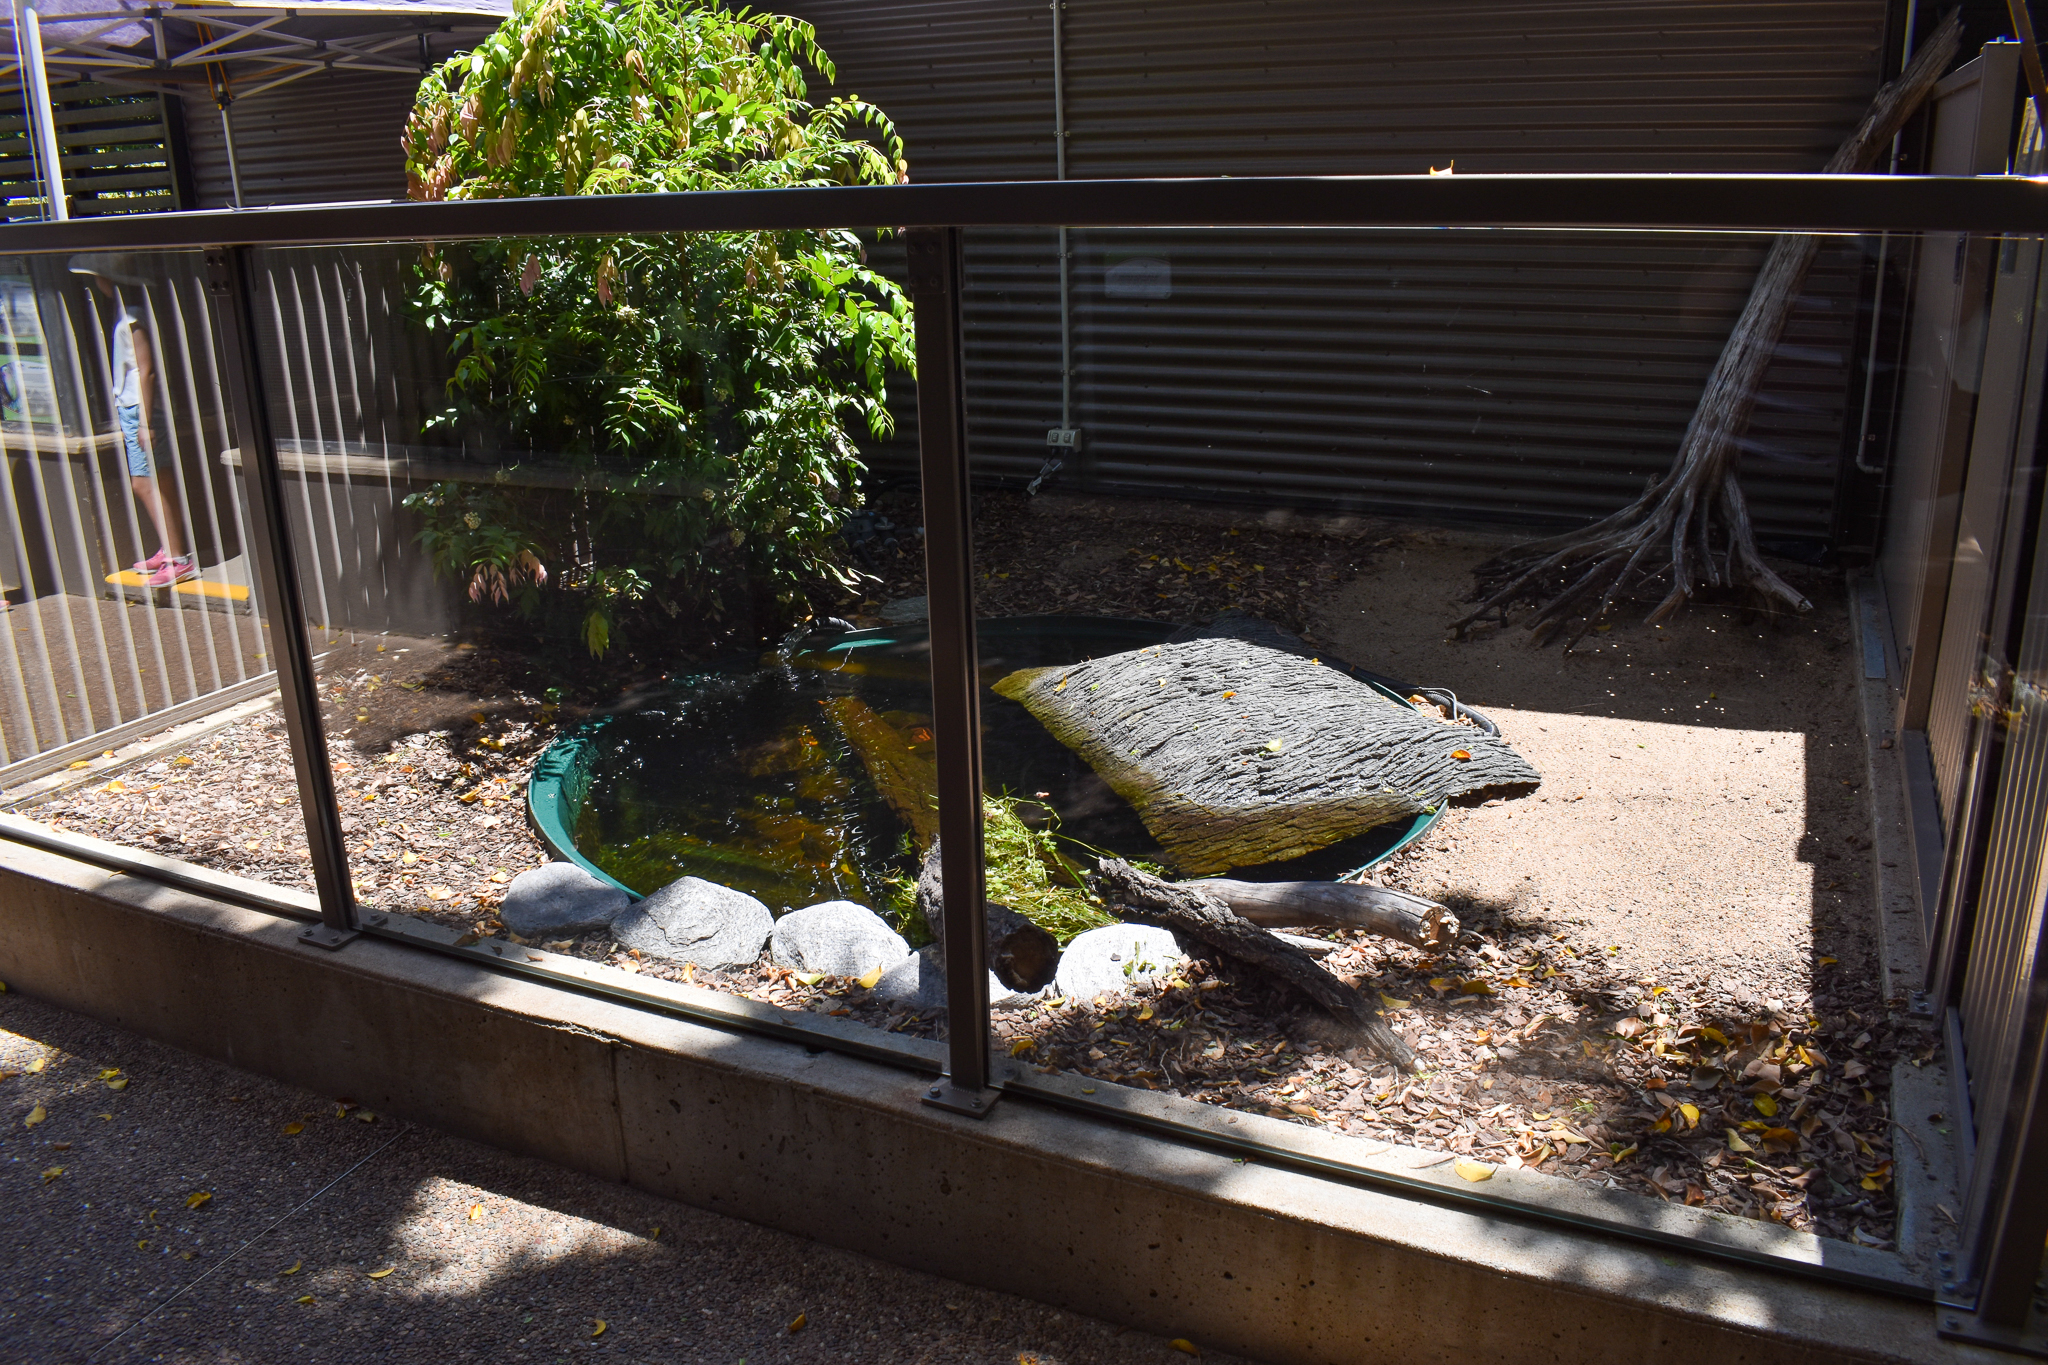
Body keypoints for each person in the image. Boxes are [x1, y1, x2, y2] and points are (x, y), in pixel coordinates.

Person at [67, 253, 192, 587]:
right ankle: (171, 549)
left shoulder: (133, 317)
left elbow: (146, 369)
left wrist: (145, 422)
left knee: (145, 483)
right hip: (135, 409)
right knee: (156, 481)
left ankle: (178, 558)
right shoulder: (126, 315)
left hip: (141, 410)